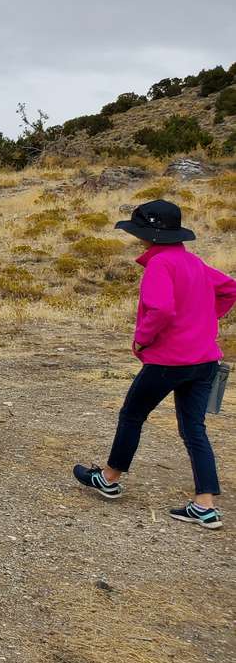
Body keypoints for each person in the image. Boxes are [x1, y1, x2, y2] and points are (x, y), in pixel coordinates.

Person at [73, 199, 236, 530]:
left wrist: (143, 341)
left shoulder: (161, 264)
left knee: (132, 415)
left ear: (148, 235)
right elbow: (230, 289)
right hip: (204, 360)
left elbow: (160, 310)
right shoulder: (194, 263)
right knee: (194, 429)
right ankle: (205, 506)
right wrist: (203, 323)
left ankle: (109, 478)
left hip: (169, 360)